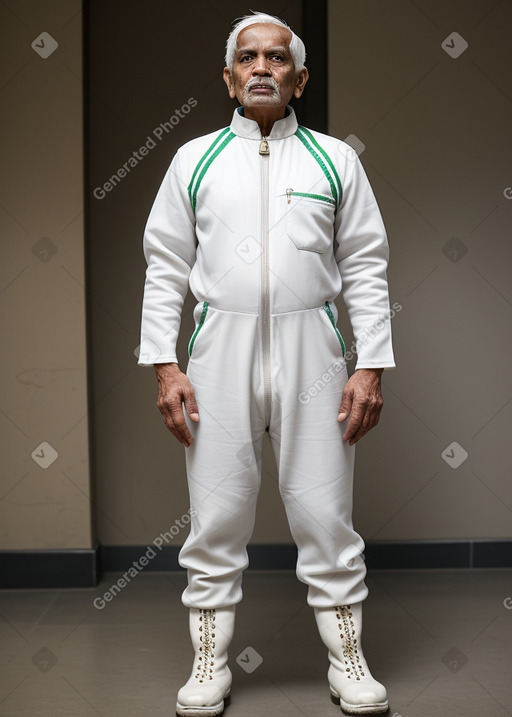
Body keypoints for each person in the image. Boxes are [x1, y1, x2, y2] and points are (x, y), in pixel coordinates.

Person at [138, 11, 395, 716]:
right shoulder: (192, 160)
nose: (260, 67)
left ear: (299, 77)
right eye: (246, 57)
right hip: (217, 351)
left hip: (314, 350)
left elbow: (366, 265)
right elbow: (165, 266)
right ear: (227, 76)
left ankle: (348, 660)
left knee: (325, 513)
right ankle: (209, 664)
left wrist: (370, 365)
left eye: (276, 58)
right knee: (215, 515)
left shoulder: (336, 159)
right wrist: (165, 365)